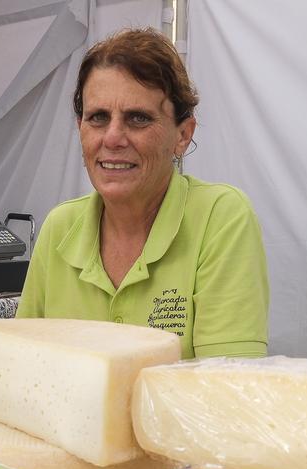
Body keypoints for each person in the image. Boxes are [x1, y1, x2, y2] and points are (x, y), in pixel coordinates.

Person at [17, 28, 269, 359]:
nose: (113, 137)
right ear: (80, 128)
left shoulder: (220, 218)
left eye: (137, 118)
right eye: (98, 117)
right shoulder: (59, 227)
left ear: (182, 135)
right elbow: (22, 365)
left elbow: (225, 391)